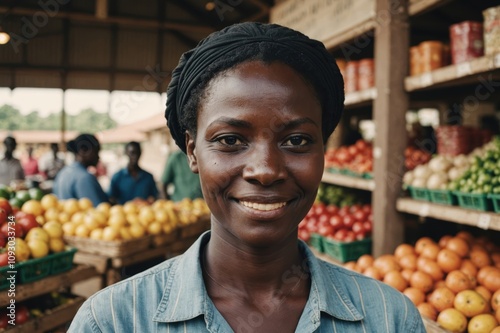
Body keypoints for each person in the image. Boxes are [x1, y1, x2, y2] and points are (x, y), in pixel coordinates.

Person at [69, 22, 426, 332]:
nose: (266, 170)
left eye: (296, 140)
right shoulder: (113, 321)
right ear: (192, 152)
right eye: (230, 140)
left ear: (323, 151)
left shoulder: (389, 319)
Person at [53, 134, 108, 207]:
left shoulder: (63, 172)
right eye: (96, 151)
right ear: (83, 150)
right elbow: (100, 211)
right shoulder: (85, 178)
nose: (98, 157)